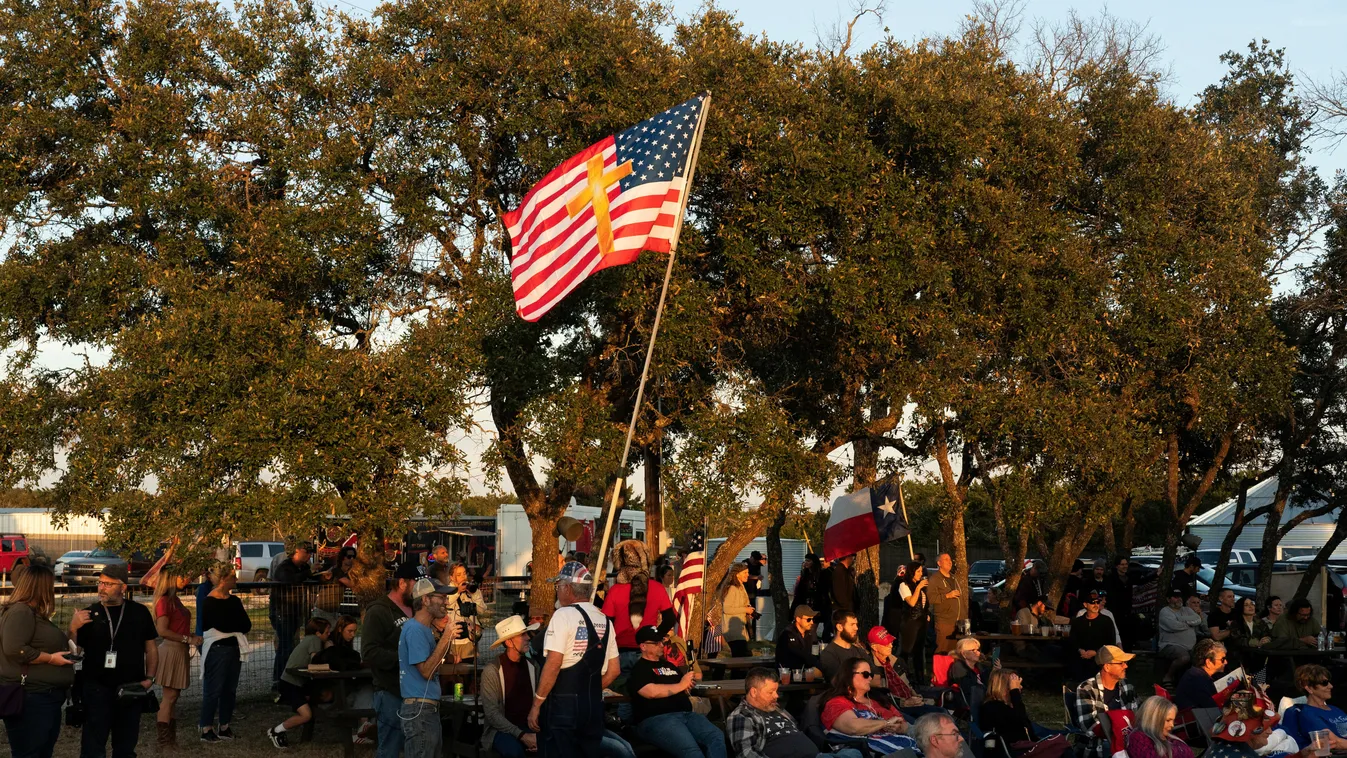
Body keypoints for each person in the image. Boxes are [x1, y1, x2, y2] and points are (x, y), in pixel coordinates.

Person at [528, 561, 621, 758]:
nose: (557, 591)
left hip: (564, 709)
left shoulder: (564, 615)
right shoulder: (604, 619)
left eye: (558, 586)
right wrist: (590, 690)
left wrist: (536, 704)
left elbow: (553, 664)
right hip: (592, 708)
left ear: (568, 588)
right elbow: (614, 670)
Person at [70, 563, 160, 758]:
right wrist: (73, 629)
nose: (102, 588)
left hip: (130, 688)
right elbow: (74, 652)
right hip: (96, 688)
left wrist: (150, 678)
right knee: (93, 748)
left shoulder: (139, 612)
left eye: (108, 584)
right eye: (100, 583)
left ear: (123, 587)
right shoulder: (88, 613)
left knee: (125, 747)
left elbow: (151, 648)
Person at [1, 563, 74, 758]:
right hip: (31, 699)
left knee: (41, 751)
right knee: (29, 752)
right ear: (40, 586)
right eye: (50, 584)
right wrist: (50, 659)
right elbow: (15, 648)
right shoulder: (21, 612)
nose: (52, 589)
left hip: (43, 698)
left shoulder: (33, 614)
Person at [628, 626, 727, 758]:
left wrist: (687, 684)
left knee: (716, 737)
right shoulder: (639, 669)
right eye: (656, 643)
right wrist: (681, 685)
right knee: (692, 751)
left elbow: (682, 686)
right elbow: (650, 692)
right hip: (657, 719)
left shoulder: (669, 666)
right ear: (643, 646)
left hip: (686, 714)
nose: (661, 645)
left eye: (662, 641)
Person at [726, 666, 863, 758]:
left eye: (776, 691)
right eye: (770, 692)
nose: (776, 696)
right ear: (754, 692)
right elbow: (746, 753)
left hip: (818, 755)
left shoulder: (776, 708)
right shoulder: (742, 716)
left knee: (854, 753)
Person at [362, 562, 422, 758]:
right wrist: (403, 658)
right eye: (416, 583)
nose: (419, 590)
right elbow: (369, 652)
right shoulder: (378, 611)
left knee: (416, 746)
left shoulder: (416, 609)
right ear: (402, 583)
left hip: (415, 689)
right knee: (390, 748)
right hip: (390, 689)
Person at [819, 657, 917, 755]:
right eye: (866, 674)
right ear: (849, 676)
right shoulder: (837, 702)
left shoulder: (879, 699)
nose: (870, 678)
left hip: (906, 742)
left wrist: (900, 728)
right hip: (880, 752)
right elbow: (853, 727)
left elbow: (903, 723)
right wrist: (885, 723)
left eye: (871, 675)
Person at [199, 562, 250, 742]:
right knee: (214, 689)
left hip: (233, 648)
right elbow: (222, 625)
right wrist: (234, 627)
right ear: (222, 580)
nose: (235, 580)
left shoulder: (234, 600)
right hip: (217, 649)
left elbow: (246, 625)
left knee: (230, 689)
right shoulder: (209, 601)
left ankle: (224, 726)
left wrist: (232, 627)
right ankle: (206, 728)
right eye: (232, 577)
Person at [152, 567, 201, 748]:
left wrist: (191, 636)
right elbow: (162, 630)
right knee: (169, 696)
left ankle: (170, 740)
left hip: (179, 649)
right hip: (172, 650)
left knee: (173, 696)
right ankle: (164, 741)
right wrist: (188, 638)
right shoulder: (164, 601)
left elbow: (176, 627)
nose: (185, 578)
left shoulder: (174, 599)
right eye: (181, 575)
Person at [267, 617, 333, 749]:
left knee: (322, 698)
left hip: (294, 682)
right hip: (291, 683)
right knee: (306, 715)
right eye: (327, 632)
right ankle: (276, 731)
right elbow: (317, 661)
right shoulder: (315, 640)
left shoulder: (309, 639)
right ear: (318, 633)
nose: (329, 634)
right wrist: (329, 649)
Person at [482, 615, 542, 758]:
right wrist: (522, 735)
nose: (528, 637)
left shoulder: (533, 666)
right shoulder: (493, 670)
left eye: (527, 633)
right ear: (509, 642)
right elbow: (492, 714)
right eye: (522, 635)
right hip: (501, 730)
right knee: (515, 752)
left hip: (529, 726)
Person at [269, 541, 326, 686]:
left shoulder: (304, 567)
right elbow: (290, 580)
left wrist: (322, 575)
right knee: (285, 646)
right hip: (282, 611)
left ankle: (288, 677)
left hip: (295, 611)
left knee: (292, 645)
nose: (309, 556)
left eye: (310, 553)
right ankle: (278, 679)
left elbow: (310, 578)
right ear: (297, 551)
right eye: (306, 552)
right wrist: (309, 572)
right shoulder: (285, 567)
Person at [980, 669, 1067, 756]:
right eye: (1016, 684)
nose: (1020, 687)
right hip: (1013, 751)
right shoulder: (992, 706)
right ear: (1004, 686)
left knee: (1061, 745)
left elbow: (1026, 726)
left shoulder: (1009, 706)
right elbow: (1019, 722)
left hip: (1027, 747)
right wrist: (1014, 692)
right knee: (1061, 746)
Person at [1074, 646, 1141, 758]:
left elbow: (1139, 715)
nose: (1126, 666)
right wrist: (1118, 733)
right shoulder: (1086, 689)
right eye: (1121, 663)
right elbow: (1089, 726)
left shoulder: (1127, 687)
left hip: (1129, 743)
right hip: (1098, 747)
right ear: (1107, 667)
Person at [864, 627, 941, 720]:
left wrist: (915, 695)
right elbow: (879, 696)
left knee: (945, 701)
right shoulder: (871, 668)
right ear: (874, 647)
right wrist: (903, 702)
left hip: (912, 700)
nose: (890, 646)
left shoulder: (896, 661)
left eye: (891, 642)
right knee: (939, 716)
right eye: (886, 644)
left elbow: (909, 683)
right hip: (898, 707)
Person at [1280, 664, 1347, 751]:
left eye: (1329, 682)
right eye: (1324, 683)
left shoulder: (1335, 709)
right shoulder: (1307, 714)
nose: (1331, 686)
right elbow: (1333, 742)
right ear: (1309, 688)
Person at [883, 560, 929, 683]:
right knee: (907, 650)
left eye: (921, 571)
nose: (920, 574)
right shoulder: (904, 585)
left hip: (921, 621)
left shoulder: (919, 585)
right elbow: (912, 602)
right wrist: (918, 588)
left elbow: (923, 602)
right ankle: (902, 675)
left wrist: (926, 613)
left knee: (919, 651)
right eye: (918, 571)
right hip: (910, 622)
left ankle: (920, 678)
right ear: (912, 572)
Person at [1156, 590, 1204, 687]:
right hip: (1170, 645)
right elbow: (1173, 626)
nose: (1179, 599)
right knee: (1184, 657)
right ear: (1168, 599)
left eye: (1180, 597)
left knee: (1202, 657)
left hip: (1190, 646)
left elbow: (1198, 619)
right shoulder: (1165, 611)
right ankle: (1168, 677)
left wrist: (1181, 621)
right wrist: (1189, 623)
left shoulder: (1187, 610)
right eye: (1175, 597)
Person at [1069, 591, 1120, 681]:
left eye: (1097, 602)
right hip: (1081, 658)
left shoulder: (1106, 621)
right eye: (1092, 602)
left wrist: (1096, 652)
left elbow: (1111, 642)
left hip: (1100, 660)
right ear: (1085, 604)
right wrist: (1079, 650)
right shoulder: (1078, 622)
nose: (1096, 605)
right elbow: (1073, 640)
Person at [1124, 696, 1194, 758]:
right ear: (1154, 719)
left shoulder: (1169, 737)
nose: (1172, 725)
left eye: (1173, 720)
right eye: (1168, 720)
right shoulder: (1137, 738)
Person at [927, 553, 966, 654]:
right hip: (945, 621)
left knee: (957, 651)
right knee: (944, 649)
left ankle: (954, 669)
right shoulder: (935, 579)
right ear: (939, 563)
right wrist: (947, 596)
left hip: (959, 621)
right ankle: (940, 670)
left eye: (950, 559)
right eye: (946, 559)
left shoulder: (954, 578)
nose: (949, 562)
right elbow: (931, 598)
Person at [446, 562, 485, 663]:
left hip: (469, 640)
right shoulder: (447, 590)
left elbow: (481, 610)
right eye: (458, 575)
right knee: (452, 673)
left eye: (464, 573)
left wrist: (474, 594)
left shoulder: (472, 590)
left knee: (469, 671)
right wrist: (457, 591)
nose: (463, 577)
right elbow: (446, 603)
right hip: (452, 641)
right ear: (451, 577)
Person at [949, 637, 995, 721]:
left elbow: (987, 681)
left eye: (978, 650)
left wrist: (995, 670)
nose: (978, 653)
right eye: (973, 650)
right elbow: (967, 688)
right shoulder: (959, 667)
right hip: (972, 699)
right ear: (963, 653)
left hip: (985, 696)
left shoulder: (979, 666)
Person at [1228, 597, 1272, 681]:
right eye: (1246, 605)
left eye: (1252, 604)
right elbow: (1238, 640)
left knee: (1259, 684)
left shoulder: (1260, 622)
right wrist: (1257, 643)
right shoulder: (1236, 623)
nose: (1250, 607)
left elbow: (1267, 635)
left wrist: (1266, 640)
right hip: (1240, 659)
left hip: (1258, 659)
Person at [1174, 639, 1225, 710]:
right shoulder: (1197, 679)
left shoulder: (1196, 674)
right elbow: (1213, 708)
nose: (1226, 662)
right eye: (1222, 659)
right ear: (1208, 662)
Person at [775, 605, 822, 675]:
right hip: (789, 673)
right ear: (798, 619)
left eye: (813, 619)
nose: (812, 622)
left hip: (805, 670)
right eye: (808, 620)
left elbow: (813, 652)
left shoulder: (810, 634)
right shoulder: (788, 634)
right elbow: (799, 655)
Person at [720, 562, 754, 657]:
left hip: (740, 628)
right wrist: (745, 610)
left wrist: (748, 611)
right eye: (745, 572)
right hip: (733, 630)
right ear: (737, 574)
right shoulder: (732, 588)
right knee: (741, 658)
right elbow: (727, 609)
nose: (747, 575)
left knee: (742, 658)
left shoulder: (741, 587)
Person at [820, 610, 864, 681]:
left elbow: (877, 678)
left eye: (856, 624)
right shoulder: (829, 653)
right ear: (839, 627)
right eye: (852, 624)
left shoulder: (859, 650)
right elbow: (839, 681)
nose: (856, 628)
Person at [1104, 557, 1135, 649]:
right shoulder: (1110, 579)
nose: (1125, 566)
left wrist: (1155, 574)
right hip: (1115, 611)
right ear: (1117, 566)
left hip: (1127, 611)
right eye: (1122, 564)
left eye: (1126, 564)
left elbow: (1141, 581)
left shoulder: (1129, 577)